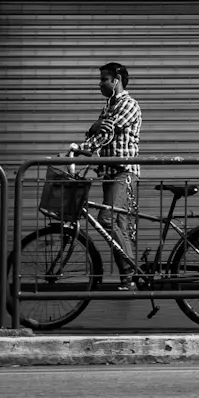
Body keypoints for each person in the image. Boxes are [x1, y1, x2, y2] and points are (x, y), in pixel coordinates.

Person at [80, 60, 142, 288]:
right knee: (120, 225)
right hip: (109, 173)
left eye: (103, 79)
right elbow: (97, 130)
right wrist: (85, 144)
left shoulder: (128, 104)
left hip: (122, 172)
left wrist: (80, 147)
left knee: (108, 220)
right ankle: (129, 278)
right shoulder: (109, 106)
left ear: (115, 81)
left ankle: (133, 271)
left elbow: (106, 130)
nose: (99, 84)